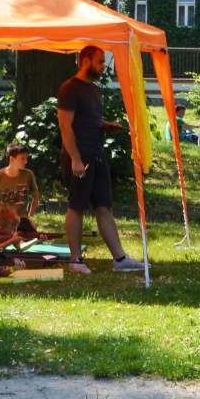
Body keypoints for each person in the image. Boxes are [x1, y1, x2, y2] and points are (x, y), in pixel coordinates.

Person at [57, 45, 140, 275]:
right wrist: (75, 159)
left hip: (97, 154)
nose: (104, 66)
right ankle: (75, 260)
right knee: (77, 207)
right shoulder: (69, 88)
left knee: (104, 206)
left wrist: (104, 125)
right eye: (100, 61)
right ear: (85, 60)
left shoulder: (93, 89)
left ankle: (120, 259)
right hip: (80, 156)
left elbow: (87, 119)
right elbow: (65, 126)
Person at [0, 143, 40, 245]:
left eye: (26, 158)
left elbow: (36, 196)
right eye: (22, 159)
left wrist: (30, 216)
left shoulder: (28, 174)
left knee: (33, 239)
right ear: (12, 159)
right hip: (2, 219)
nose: (26, 161)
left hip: (21, 219)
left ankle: (17, 239)